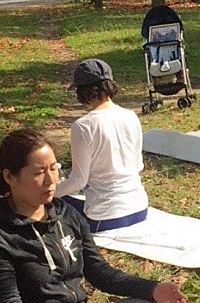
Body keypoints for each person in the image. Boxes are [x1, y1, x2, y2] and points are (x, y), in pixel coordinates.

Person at [0, 129, 186, 303]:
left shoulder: (66, 215)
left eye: (54, 168)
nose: (51, 180)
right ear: (10, 177)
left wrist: (152, 288)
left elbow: (99, 272)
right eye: (38, 173)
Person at [55, 59, 150, 233]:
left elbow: (78, 181)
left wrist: (49, 192)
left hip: (104, 217)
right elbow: (138, 165)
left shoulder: (83, 126)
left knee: (55, 201)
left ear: (83, 92)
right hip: (140, 208)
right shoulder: (131, 116)